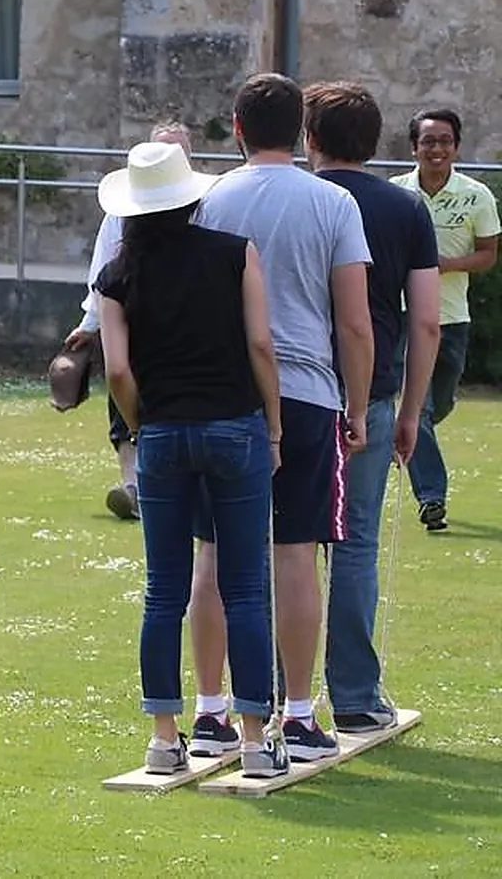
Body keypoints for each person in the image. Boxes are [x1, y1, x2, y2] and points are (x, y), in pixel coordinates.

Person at [186, 73, 373, 762]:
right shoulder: (332, 202)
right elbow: (354, 324)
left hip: (222, 391)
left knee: (212, 552)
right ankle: (296, 713)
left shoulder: (207, 200)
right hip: (304, 392)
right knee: (296, 555)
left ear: (236, 127)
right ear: (302, 131)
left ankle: (209, 711)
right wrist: (356, 408)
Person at [94, 140, 287, 778]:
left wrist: (141, 420)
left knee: (163, 592)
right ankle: (257, 742)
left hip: (165, 434)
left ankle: (162, 737)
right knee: (245, 589)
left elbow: (118, 368)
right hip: (235, 425)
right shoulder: (235, 253)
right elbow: (261, 343)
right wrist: (276, 425)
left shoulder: (118, 274)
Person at [303, 82, 440, 732]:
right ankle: (355, 698)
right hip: (373, 390)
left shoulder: (299, 200)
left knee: (287, 545)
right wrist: (413, 409)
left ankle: (279, 695)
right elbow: (427, 322)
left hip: (292, 390)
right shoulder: (404, 208)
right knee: (354, 545)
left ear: (312, 139)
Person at [67, 121, 195, 520]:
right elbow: (103, 272)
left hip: (186, 322)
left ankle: (170, 485)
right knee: (123, 401)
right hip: (130, 318)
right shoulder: (120, 215)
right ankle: (133, 486)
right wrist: (90, 325)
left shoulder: (206, 207)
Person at [390, 109, 500, 531]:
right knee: (418, 405)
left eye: (444, 141)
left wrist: (447, 264)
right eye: (428, 141)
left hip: (453, 318)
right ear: (414, 147)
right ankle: (431, 498)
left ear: (456, 146)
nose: (436, 149)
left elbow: (489, 253)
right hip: (403, 317)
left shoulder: (476, 195)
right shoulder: (397, 194)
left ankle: (397, 439)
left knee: (439, 403)